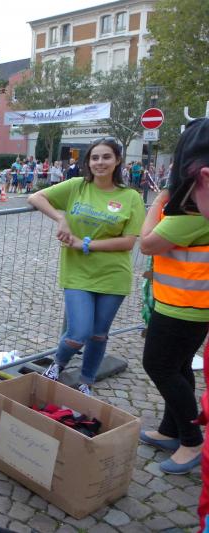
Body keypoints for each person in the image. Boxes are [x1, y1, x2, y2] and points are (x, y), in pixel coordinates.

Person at [29, 138, 144, 396]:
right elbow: (36, 197)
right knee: (79, 332)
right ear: (88, 162)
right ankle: (57, 364)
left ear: (118, 161)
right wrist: (61, 218)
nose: (100, 162)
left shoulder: (131, 197)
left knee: (99, 334)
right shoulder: (77, 186)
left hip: (113, 275)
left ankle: (86, 383)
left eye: (106, 157)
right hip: (77, 272)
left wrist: (86, 244)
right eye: (95, 158)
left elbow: (128, 242)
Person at [138, 118, 209, 479]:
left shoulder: (193, 211)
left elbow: (147, 243)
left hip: (185, 306)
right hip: (182, 303)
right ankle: (172, 429)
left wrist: (159, 200)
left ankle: (192, 441)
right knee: (178, 367)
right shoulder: (193, 205)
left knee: (160, 366)